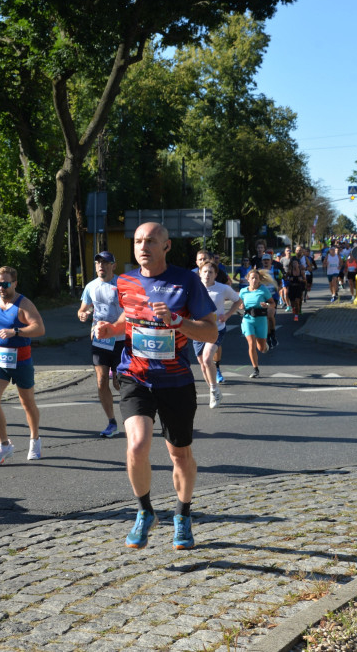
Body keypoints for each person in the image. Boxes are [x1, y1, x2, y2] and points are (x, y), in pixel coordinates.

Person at [94, 223, 216, 551]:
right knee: (136, 446)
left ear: (166, 246)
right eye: (137, 241)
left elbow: (210, 333)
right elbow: (131, 321)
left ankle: (183, 515)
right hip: (136, 376)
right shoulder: (125, 281)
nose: (142, 246)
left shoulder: (187, 280)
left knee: (179, 454)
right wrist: (111, 329)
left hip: (176, 380)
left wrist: (178, 322)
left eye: (150, 241)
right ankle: (145, 511)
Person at [0, 266, 45, 464]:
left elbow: (39, 328)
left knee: (27, 403)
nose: (1, 288)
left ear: (15, 283)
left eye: (5, 284)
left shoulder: (24, 304)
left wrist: (16, 331)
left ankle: (34, 439)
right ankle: (4, 445)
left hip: (21, 360)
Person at [78, 251, 124, 437]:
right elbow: (83, 308)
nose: (100, 266)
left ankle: (135, 412)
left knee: (121, 383)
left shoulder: (122, 284)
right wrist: (83, 314)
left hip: (121, 338)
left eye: (105, 263)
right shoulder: (90, 286)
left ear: (113, 265)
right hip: (100, 338)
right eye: (98, 263)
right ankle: (112, 422)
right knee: (101, 380)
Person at [194, 263, 241, 408]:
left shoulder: (223, 288)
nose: (207, 275)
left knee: (208, 358)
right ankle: (213, 391)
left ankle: (214, 390)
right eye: (205, 271)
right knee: (203, 365)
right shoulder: (193, 288)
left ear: (215, 274)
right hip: (198, 330)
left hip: (216, 329)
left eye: (211, 272)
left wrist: (227, 315)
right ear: (200, 273)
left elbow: (238, 300)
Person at [239, 269, 273, 378]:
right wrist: (241, 306)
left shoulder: (263, 290)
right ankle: (255, 369)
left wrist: (267, 305)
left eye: (256, 278)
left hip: (261, 320)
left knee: (261, 348)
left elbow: (272, 303)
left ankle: (265, 345)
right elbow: (239, 304)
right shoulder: (243, 291)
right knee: (251, 343)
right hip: (248, 319)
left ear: (259, 280)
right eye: (252, 278)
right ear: (248, 279)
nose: (254, 280)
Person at [287, 255, 306, 322]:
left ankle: (296, 316)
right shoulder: (290, 271)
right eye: (293, 263)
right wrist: (289, 278)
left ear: (298, 264)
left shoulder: (301, 272)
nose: (295, 264)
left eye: (296, 263)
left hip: (298, 287)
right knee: (292, 303)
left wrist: (302, 280)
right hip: (292, 287)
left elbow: (305, 280)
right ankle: (295, 309)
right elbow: (285, 278)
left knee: (297, 301)